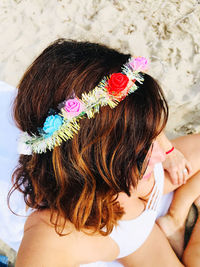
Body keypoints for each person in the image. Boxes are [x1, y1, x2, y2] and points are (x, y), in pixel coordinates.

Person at [8, 38, 200, 266]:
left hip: (144, 186)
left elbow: (139, 116)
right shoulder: (55, 231)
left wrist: (169, 150)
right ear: (90, 160)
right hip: (132, 236)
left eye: (151, 138)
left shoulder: (130, 143)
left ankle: (175, 218)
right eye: (140, 153)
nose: (159, 156)